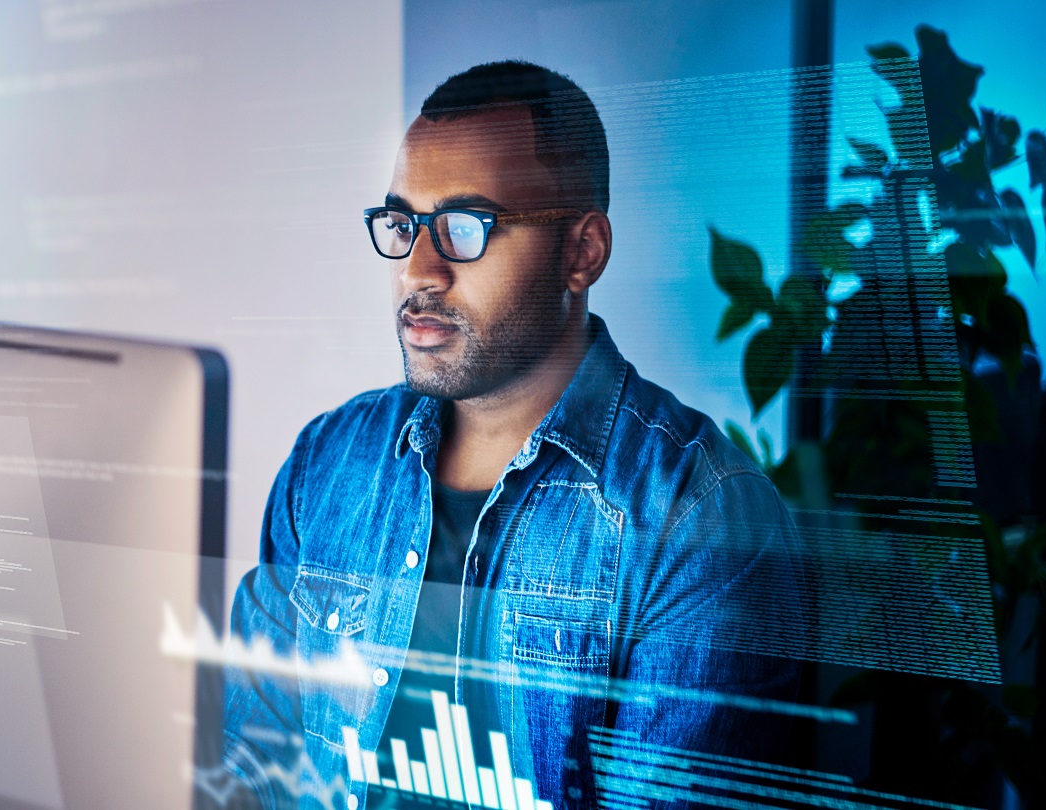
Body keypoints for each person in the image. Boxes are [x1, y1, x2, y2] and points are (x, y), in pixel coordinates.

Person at [219, 60, 806, 810]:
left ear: (582, 252)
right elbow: (252, 769)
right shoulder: (327, 464)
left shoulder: (698, 520)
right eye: (403, 224)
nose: (418, 271)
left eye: (465, 227)